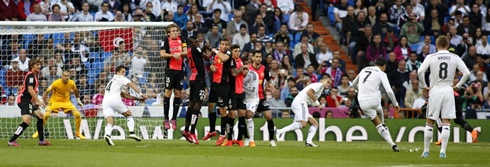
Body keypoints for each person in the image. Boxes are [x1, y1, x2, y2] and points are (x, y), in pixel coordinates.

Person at [417, 35, 470, 158]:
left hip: (435, 90)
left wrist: (424, 85)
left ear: (436, 45)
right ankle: (443, 152)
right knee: (446, 122)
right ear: (448, 45)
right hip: (448, 90)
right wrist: (458, 85)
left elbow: (420, 71)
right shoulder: (455, 57)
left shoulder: (431, 57)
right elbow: (466, 73)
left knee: (430, 121)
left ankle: (426, 151)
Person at [353, 58, 400, 152]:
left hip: (362, 102)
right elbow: (389, 91)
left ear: (374, 63)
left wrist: (359, 90)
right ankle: (383, 124)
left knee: (377, 124)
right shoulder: (381, 73)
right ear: (384, 66)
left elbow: (354, 83)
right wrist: (395, 103)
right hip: (374, 100)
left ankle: (392, 144)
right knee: (378, 101)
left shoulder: (364, 69)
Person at [276, 78, 332, 147]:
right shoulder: (319, 85)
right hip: (301, 103)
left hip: (301, 103)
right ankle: (279, 131)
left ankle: (309, 141)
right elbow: (309, 92)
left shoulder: (320, 90)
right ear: (322, 81)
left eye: (330, 83)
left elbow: (311, 101)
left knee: (314, 123)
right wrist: (318, 104)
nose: (329, 84)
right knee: (303, 124)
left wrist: (318, 104)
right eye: (328, 82)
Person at [8, 59, 50, 146]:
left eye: (40, 65)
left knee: (41, 117)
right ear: (32, 66)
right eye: (37, 65)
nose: (39, 66)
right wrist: (39, 101)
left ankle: (41, 141)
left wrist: (35, 102)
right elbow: (30, 90)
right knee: (27, 121)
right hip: (24, 100)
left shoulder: (34, 76)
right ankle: (12, 141)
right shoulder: (30, 76)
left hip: (28, 101)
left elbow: (32, 91)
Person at [32, 71, 85, 140]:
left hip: (66, 101)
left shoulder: (71, 83)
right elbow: (46, 91)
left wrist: (78, 100)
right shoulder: (56, 83)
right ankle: (38, 132)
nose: (67, 77)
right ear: (62, 76)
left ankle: (78, 133)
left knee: (77, 114)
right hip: (54, 101)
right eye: (65, 76)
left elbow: (75, 91)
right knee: (46, 115)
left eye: (68, 76)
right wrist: (42, 100)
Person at [103, 66, 148, 146]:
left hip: (106, 102)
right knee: (129, 115)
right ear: (117, 72)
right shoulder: (120, 78)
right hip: (115, 100)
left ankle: (107, 135)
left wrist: (138, 99)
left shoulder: (112, 81)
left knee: (110, 122)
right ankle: (132, 132)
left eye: (124, 72)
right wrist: (141, 94)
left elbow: (124, 95)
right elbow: (131, 84)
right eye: (122, 72)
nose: (124, 74)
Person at [182, 36, 211, 145]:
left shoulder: (190, 50)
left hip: (193, 78)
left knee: (191, 105)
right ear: (192, 43)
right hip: (199, 79)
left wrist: (203, 49)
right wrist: (209, 51)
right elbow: (207, 58)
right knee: (198, 105)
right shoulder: (196, 48)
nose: (198, 43)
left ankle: (186, 130)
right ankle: (192, 131)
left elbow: (199, 53)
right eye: (196, 41)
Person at [201, 39, 231, 145]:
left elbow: (224, 59)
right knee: (211, 107)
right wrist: (212, 67)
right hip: (215, 84)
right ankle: (212, 131)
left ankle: (223, 134)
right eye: (222, 44)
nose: (223, 46)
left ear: (228, 46)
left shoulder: (228, 53)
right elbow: (213, 64)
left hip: (223, 85)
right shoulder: (216, 54)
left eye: (225, 44)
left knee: (223, 110)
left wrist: (215, 50)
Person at [160, 24, 188, 130]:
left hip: (180, 71)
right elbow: (162, 54)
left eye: (177, 31)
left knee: (178, 94)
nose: (176, 32)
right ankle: (166, 118)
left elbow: (185, 52)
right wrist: (173, 55)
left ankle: (174, 119)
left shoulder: (182, 39)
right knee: (168, 93)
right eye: (173, 31)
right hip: (170, 70)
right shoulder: (166, 40)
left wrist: (179, 54)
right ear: (169, 33)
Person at [248, 51, 277, 146]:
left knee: (269, 116)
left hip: (260, 97)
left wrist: (272, 87)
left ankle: (272, 140)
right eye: (256, 57)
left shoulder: (264, 69)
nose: (258, 59)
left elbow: (269, 81)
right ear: (253, 58)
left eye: (260, 57)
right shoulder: (248, 68)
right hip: (249, 97)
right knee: (245, 116)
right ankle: (248, 138)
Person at [242, 65, 260, 146]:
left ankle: (252, 140)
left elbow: (252, 91)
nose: (245, 70)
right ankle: (245, 138)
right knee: (231, 115)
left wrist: (240, 86)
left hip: (252, 99)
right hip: (242, 99)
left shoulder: (253, 75)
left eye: (246, 68)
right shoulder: (238, 75)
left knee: (248, 114)